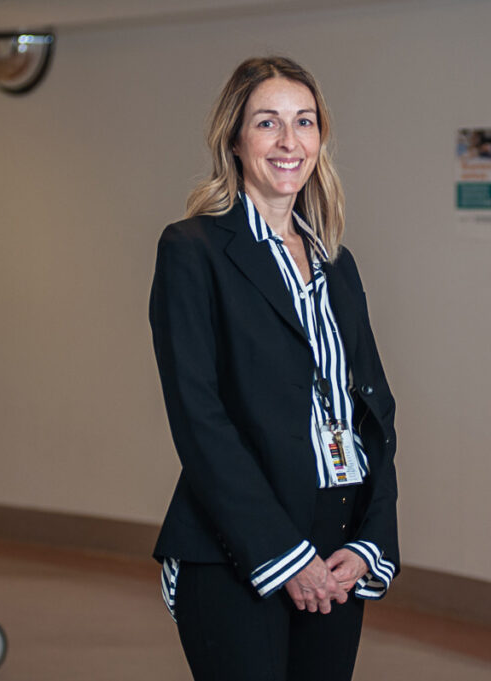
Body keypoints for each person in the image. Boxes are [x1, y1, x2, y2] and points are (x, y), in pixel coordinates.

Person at [149, 56, 399, 681]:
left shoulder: (338, 264)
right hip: (238, 543)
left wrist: (370, 542)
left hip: (337, 536)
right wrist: (285, 556)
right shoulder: (192, 251)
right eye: (268, 123)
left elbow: (372, 413)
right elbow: (200, 420)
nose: (290, 142)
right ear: (234, 140)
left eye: (304, 122)